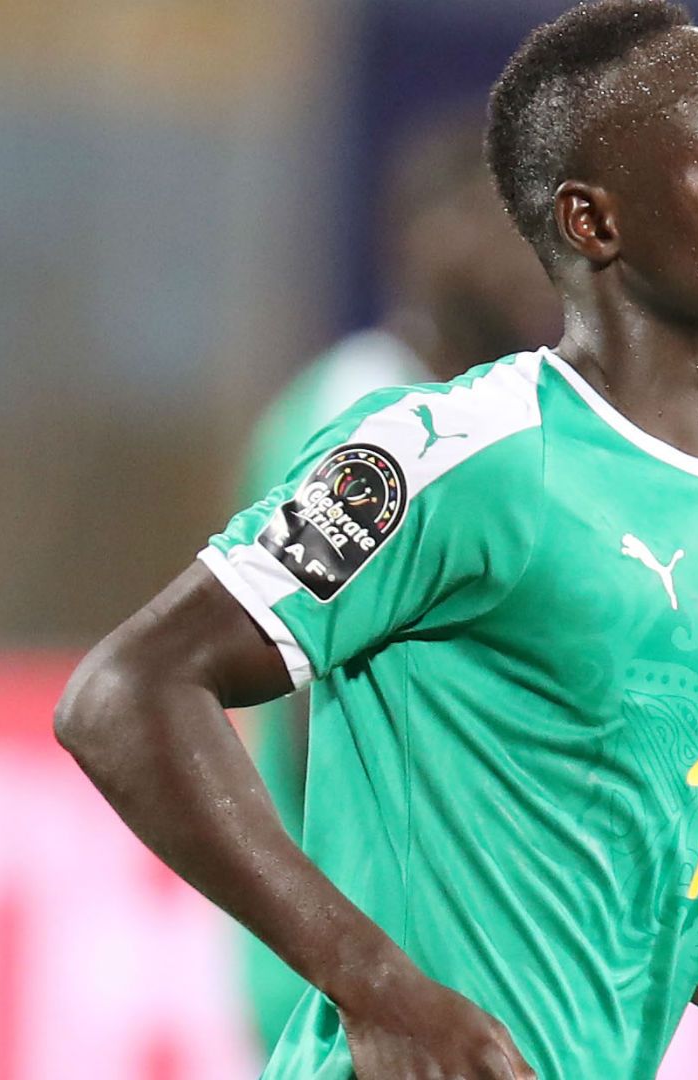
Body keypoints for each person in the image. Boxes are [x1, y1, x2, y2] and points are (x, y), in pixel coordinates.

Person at [54, 3, 698, 1078]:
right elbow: (125, 692)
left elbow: (683, 856)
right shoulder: (456, 457)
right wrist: (379, 988)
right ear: (596, 224)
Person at [231, 109, 559, 1054]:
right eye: (514, 230)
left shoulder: (496, 421)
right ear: (433, 235)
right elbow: (294, 676)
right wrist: (363, 939)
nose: (541, 263)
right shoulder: (357, 420)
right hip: (356, 955)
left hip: (458, 949)